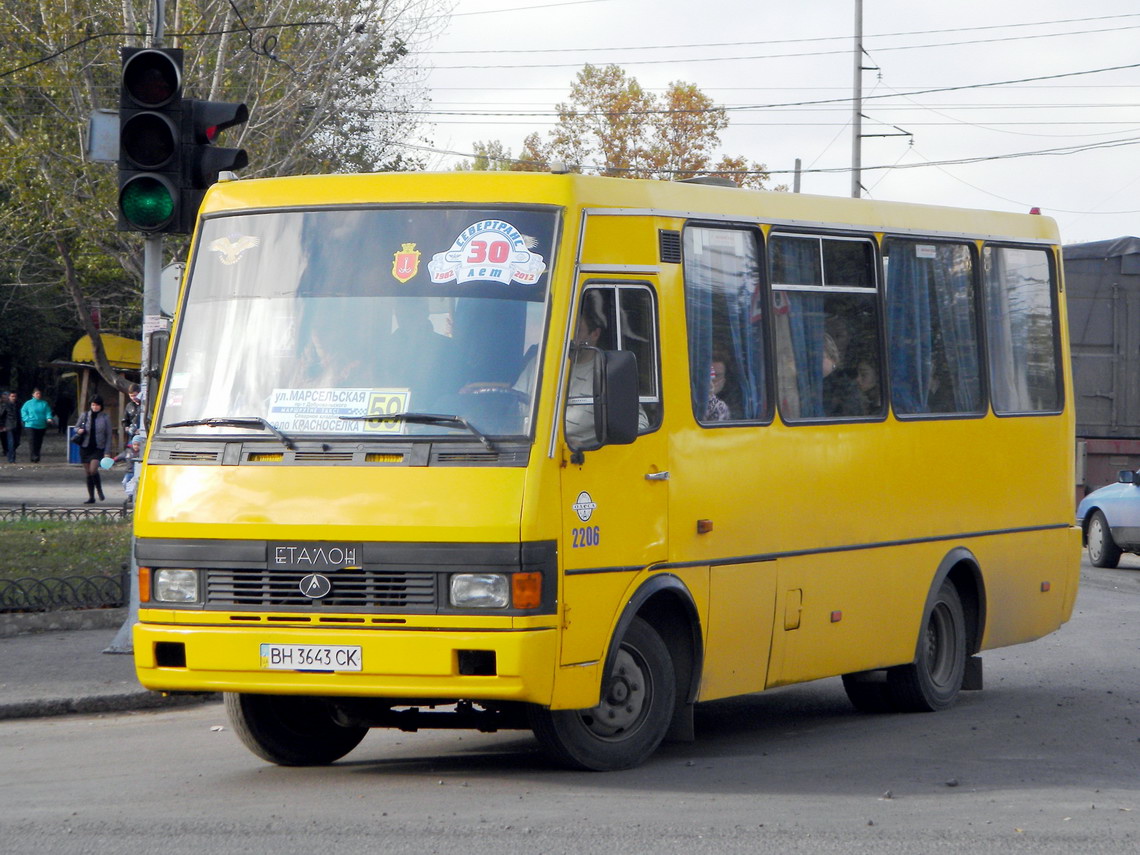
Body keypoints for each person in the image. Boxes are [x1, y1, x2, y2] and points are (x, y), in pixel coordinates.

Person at [564, 292, 649, 446]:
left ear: (595, 334)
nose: (570, 338)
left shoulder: (609, 371)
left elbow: (639, 424)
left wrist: (594, 446)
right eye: (565, 331)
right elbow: (518, 402)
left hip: (581, 460)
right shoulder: (539, 365)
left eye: (577, 330)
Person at [74, 395, 112, 503]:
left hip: (98, 448)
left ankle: (99, 490)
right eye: (93, 405)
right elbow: (76, 427)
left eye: (97, 405)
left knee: (93, 469)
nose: (95, 407)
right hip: (85, 447)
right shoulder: (85, 415)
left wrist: (107, 452)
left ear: (101, 406)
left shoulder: (105, 418)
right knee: (88, 473)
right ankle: (91, 497)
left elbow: (108, 435)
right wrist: (79, 431)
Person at [821, 334, 865, 417]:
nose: (816, 365)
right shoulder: (814, 385)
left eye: (821, 358)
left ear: (832, 358)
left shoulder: (845, 384)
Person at [20, 387, 56, 463]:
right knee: (32, 440)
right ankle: (33, 456)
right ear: (33, 394)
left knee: (39, 441)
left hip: (41, 425)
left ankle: (37, 455)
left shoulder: (44, 403)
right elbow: (23, 411)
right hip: (30, 425)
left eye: (40, 393)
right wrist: (26, 419)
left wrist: (49, 418)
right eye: (37, 393)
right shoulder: (28, 403)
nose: (39, 395)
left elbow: (48, 412)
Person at [706, 352, 733, 421]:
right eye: (709, 375)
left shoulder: (723, 406)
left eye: (717, 376)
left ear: (724, 380)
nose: (712, 380)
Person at [1, 390, 19, 462]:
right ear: (9, 397)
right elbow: (1, 415)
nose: (14, 398)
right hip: (9, 426)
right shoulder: (5, 405)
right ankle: (11, 459)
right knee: (11, 442)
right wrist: (2, 426)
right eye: (12, 396)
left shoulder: (18, 404)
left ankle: (9, 454)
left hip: (17, 426)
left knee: (16, 442)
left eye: (15, 396)